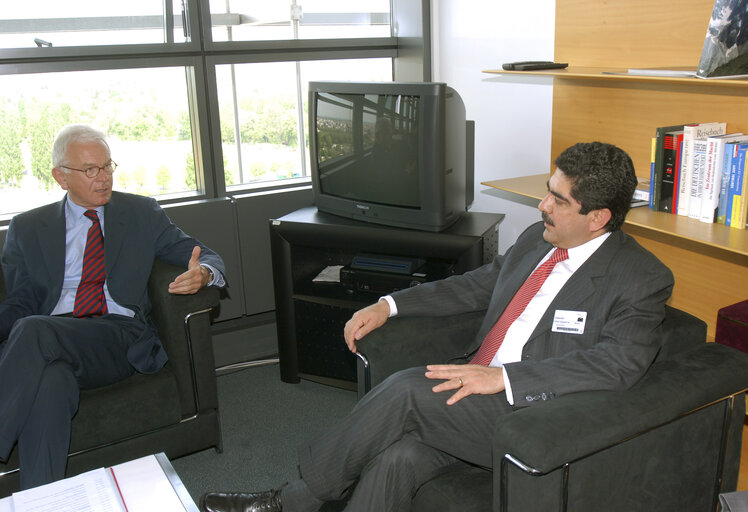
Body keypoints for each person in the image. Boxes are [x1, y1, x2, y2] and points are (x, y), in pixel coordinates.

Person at [200, 141, 674, 512]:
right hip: (472, 390)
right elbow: (478, 285)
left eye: (557, 198)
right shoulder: (538, 240)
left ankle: (295, 501)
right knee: (397, 459)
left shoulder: (641, 278)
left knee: (407, 389)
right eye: (547, 190)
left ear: (598, 218)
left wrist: (505, 378)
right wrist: (390, 304)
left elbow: (619, 363)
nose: (542, 206)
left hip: (532, 415)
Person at [0, 124, 227, 489]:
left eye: (107, 166)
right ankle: (41, 500)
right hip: (55, 338)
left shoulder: (140, 213)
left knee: (33, 330)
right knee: (51, 383)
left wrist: (205, 273)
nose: (103, 178)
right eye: (91, 170)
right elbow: (21, 303)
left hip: (117, 336)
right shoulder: (27, 228)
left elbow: (207, 255)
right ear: (61, 176)